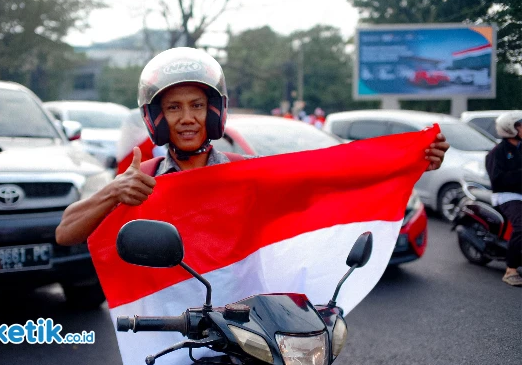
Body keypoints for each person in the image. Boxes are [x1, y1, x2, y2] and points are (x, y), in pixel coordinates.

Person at [55, 47, 450, 246]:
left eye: (197, 105)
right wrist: (113, 193)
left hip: (243, 323)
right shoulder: (139, 182)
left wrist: (409, 163)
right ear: (156, 118)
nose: (187, 118)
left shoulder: (245, 172)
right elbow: (66, 233)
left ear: (214, 112)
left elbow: (329, 183)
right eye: (173, 107)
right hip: (164, 322)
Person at [485, 111, 522, 286]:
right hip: (507, 195)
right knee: (521, 225)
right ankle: (511, 269)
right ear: (510, 128)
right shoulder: (497, 152)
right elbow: (497, 179)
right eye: (520, 125)